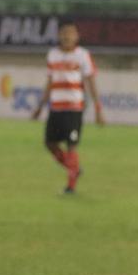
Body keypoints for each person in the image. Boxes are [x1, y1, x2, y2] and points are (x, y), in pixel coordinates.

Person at [31, 20, 102, 194]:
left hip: (74, 108)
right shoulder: (53, 55)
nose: (67, 36)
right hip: (56, 107)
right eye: (64, 32)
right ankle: (74, 169)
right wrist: (40, 106)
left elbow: (91, 81)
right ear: (58, 35)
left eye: (70, 33)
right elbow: (50, 81)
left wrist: (98, 109)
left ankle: (71, 186)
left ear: (77, 36)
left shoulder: (82, 55)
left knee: (71, 145)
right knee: (49, 143)